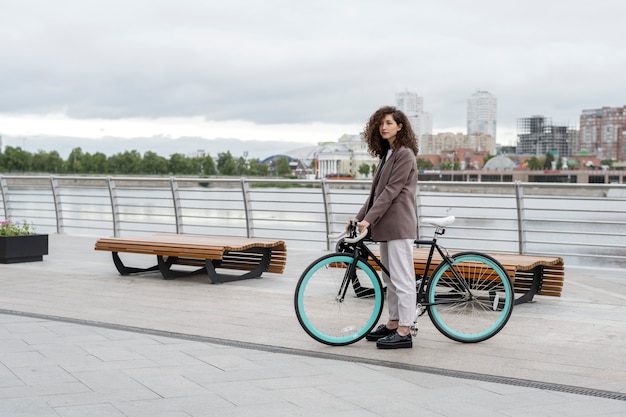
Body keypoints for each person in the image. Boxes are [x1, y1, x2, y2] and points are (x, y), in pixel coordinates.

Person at [349, 105, 419, 349]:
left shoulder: (405, 154)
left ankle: (405, 330)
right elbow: (374, 195)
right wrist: (359, 218)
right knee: (389, 279)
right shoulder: (386, 155)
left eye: (389, 122)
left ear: (400, 126)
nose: (384, 127)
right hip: (386, 226)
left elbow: (391, 192)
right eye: (381, 123)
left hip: (399, 224)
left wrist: (369, 220)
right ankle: (393, 322)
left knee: (402, 279)